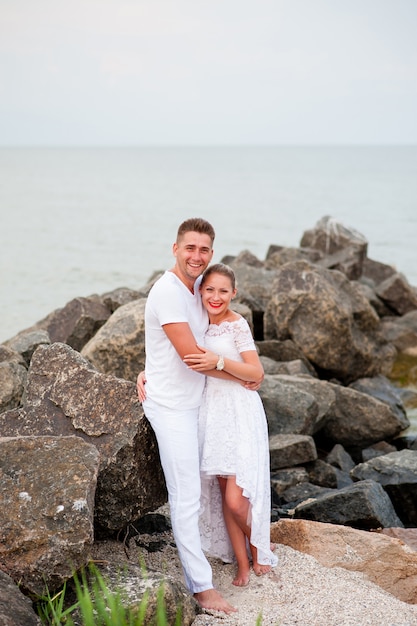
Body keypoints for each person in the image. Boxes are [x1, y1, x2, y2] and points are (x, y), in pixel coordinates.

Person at [137, 218, 261, 613]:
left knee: (211, 490)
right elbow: (193, 358)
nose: (196, 256)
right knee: (187, 494)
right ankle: (202, 587)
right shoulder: (169, 292)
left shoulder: (197, 290)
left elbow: (199, 342)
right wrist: (242, 372)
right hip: (173, 407)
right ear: (175, 248)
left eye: (204, 250)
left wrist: (146, 369)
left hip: (201, 404)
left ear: (211, 254)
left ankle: (241, 553)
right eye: (190, 248)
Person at [183, 263, 278, 587]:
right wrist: (145, 374)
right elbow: (174, 355)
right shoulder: (195, 324)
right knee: (225, 495)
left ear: (233, 293)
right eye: (209, 289)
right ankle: (242, 563)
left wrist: (219, 362)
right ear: (200, 291)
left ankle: (260, 544)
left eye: (223, 291)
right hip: (211, 413)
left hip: (239, 411)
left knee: (238, 499)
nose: (215, 296)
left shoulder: (236, 325)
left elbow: (256, 373)